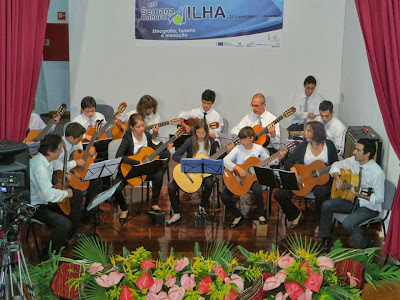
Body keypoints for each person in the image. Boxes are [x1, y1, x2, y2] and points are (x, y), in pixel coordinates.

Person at [319, 138, 385, 252]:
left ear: (367, 154)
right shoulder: (354, 161)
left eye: (358, 150)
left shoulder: (377, 173)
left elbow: (379, 198)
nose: (354, 152)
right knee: (326, 205)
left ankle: (367, 244)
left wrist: (361, 195)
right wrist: (338, 178)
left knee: (348, 223)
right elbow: (335, 165)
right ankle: (325, 237)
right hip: (351, 199)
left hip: (368, 206)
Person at [274, 121, 338, 234]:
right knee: (279, 193)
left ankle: (320, 224)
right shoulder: (303, 145)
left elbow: (335, 164)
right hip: (304, 179)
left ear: (317, 133)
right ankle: (295, 214)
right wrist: (293, 170)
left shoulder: (329, 145)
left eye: (308, 130)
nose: (304, 133)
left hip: (323, 179)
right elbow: (289, 161)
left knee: (320, 192)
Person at [222, 126, 286, 228]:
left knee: (257, 190)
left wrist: (279, 157)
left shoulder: (259, 149)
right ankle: (237, 215)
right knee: (224, 196)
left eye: (244, 139)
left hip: (252, 179)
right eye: (241, 139)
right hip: (238, 178)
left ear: (251, 138)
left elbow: (269, 162)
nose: (242, 141)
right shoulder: (238, 148)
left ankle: (261, 214)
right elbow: (225, 160)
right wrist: (238, 168)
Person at [30, 134, 83, 255]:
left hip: (44, 198)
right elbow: (47, 194)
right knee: (64, 223)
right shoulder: (40, 166)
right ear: (50, 151)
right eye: (59, 149)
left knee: (77, 194)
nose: (61, 152)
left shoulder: (46, 160)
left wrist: (63, 174)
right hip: (36, 205)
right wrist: (65, 193)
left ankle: (69, 234)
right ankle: (48, 255)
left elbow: (53, 174)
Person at [113, 113, 171, 223]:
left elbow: (150, 150)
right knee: (116, 189)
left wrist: (163, 147)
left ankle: (154, 203)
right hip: (128, 169)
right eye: (138, 127)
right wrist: (136, 161)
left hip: (143, 169)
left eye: (142, 126)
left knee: (158, 175)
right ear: (131, 127)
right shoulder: (127, 139)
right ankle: (124, 209)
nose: (141, 129)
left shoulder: (147, 136)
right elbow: (119, 156)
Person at [167, 119, 219, 225]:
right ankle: (176, 213)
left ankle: (202, 206)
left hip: (205, 172)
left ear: (207, 132)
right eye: (198, 132)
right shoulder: (190, 141)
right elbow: (176, 155)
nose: (200, 135)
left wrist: (225, 151)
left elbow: (217, 159)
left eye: (203, 133)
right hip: (190, 171)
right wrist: (187, 162)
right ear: (195, 132)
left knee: (209, 183)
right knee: (171, 187)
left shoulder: (212, 142)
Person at [52, 122, 98, 211]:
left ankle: (89, 208)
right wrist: (75, 162)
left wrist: (90, 155)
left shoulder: (77, 143)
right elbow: (57, 167)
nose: (80, 141)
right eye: (78, 139)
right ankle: (75, 213)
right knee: (77, 192)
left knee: (95, 180)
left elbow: (81, 160)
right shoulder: (58, 146)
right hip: (65, 177)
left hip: (78, 173)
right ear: (71, 137)